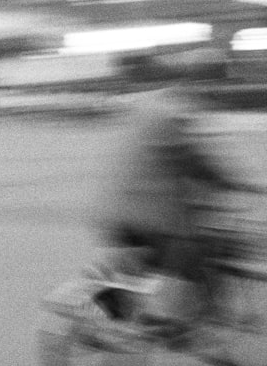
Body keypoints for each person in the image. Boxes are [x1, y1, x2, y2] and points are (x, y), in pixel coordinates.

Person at [96, 51, 260, 329]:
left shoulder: (146, 105)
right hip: (149, 213)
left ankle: (116, 299)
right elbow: (195, 161)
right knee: (197, 250)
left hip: (111, 207)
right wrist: (233, 183)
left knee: (148, 259)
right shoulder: (175, 112)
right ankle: (173, 318)